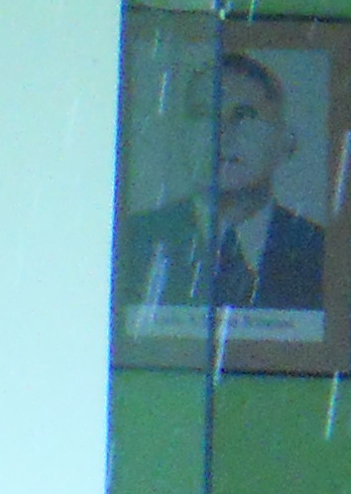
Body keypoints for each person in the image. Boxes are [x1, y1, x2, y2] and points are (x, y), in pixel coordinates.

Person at [117, 51, 328, 317]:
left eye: (244, 115)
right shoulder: (134, 242)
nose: (221, 133)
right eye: (204, 115)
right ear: (183, 137)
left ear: (285, 142)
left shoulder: (321, 252)